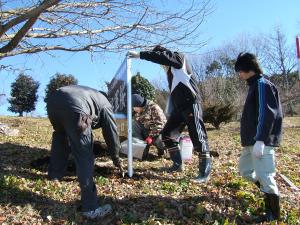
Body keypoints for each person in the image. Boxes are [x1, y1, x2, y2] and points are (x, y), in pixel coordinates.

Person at [128, 46, 212, 183]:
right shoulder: (170, 73)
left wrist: (140, 55)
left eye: (161, 62)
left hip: (191, 103)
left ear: (163, 55)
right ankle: (177, 165)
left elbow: (163, 57)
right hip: (179, 109)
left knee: (198, 135)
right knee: (167, 134)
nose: (161, 66)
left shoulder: (179, 58)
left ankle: (204, 172)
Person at [46, 85, 124, 219]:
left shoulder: (90, 94)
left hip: (53, 103)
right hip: (77, 107)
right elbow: (111, 133)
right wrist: (116, 158)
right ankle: (90, 208)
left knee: (60, 136)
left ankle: (54, 176)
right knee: (84, 154)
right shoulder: (106, 105)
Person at [235, 52, 282, 222]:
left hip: (261, 141)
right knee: (245, 170)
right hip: (251, 142)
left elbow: (267, 114)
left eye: (240, 70)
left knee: (266, 175)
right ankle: (265, 193)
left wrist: (261, 140)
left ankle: (272, 213)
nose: (239, 74)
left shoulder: (263, 84)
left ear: (248, 68)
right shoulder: (254, 86)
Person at [132, 93, 166, 158]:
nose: (133, 109)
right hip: (146, 131)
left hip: (158, 133)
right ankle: (142, 151)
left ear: (139, 105)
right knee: (134, 124)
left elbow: (161, 125)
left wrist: (151, 136)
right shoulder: (137, 111)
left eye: (134, 107)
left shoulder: (154, 108)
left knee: (159, 140)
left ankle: (163, 150)